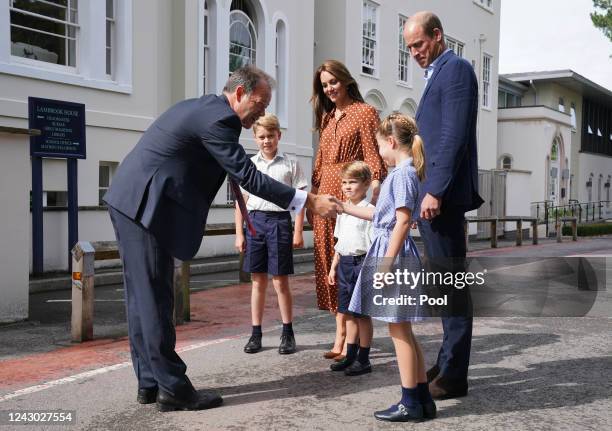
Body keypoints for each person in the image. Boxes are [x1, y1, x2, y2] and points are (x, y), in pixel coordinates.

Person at [103, 66, 340, 412]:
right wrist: (309, 201)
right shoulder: (220, 120)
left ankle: (151, 383)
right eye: (260, 104)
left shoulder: (204, 108)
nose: (262, 112)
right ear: (241, 93)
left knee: (143, 300)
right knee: (153, 299)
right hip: (144, 207)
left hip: (133, 202)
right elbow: (248, 176)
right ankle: (173, 389)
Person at [403, 12, 484, 399]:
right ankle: (448, 361)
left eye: (419, 44)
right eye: (409, 48)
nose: (414, 53)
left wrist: (434, 190)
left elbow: (453, 136)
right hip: (434, 195)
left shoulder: (457, 69)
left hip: (443, 198)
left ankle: (454, 374)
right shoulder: (438, 72)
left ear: (437, 36)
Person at [342, 113, 436, 422]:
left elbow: (403, 221)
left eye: (380, 146)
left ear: (391, 142)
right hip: (392, 250)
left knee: (398, 330)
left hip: (392, 255)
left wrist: (385, 265)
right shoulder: (405, 172)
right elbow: (384, 219)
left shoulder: (400, 174)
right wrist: (344, 207)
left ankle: (410, 401)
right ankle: (422, 399)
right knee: (403, 329)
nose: (379, 152)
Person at [309, 60, 386, 360]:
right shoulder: (328, 118)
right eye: (324, 85)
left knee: (347, 262)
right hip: (324, 199)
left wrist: (376, 188)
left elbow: (372, 155)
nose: (329, 88)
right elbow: (318, 164)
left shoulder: (364, 112)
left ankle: (347, 337)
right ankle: (339, 330)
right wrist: (313, 197)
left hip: (348, 198)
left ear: (345, 80)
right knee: (328, 263)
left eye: (333, 82)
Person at [234, 113, 308, 355]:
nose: (266, 141)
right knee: (257, 281)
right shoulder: (250, 165)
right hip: (255, 222)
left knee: (280, 281)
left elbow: (300, 201)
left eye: (271, 136)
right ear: (255, 138)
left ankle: (287, 332)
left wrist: (298, 230)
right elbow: (241, 203)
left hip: (279, 222)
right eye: (262, 137)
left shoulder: (290, 164)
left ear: (279, 135)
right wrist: (240, 234)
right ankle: (256, 333)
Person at [327, 161, 374, 376]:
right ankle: (350, 355)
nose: (347, 186)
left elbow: (373, 243)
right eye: (344, 182)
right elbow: (340, 241)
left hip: (362, 263)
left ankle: (364, 359)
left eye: (352, 182)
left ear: (365, 185)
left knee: (362, 315)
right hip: (345, 263)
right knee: (348, 314)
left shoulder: (369, 211)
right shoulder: (342, 210)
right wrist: (333, 267)